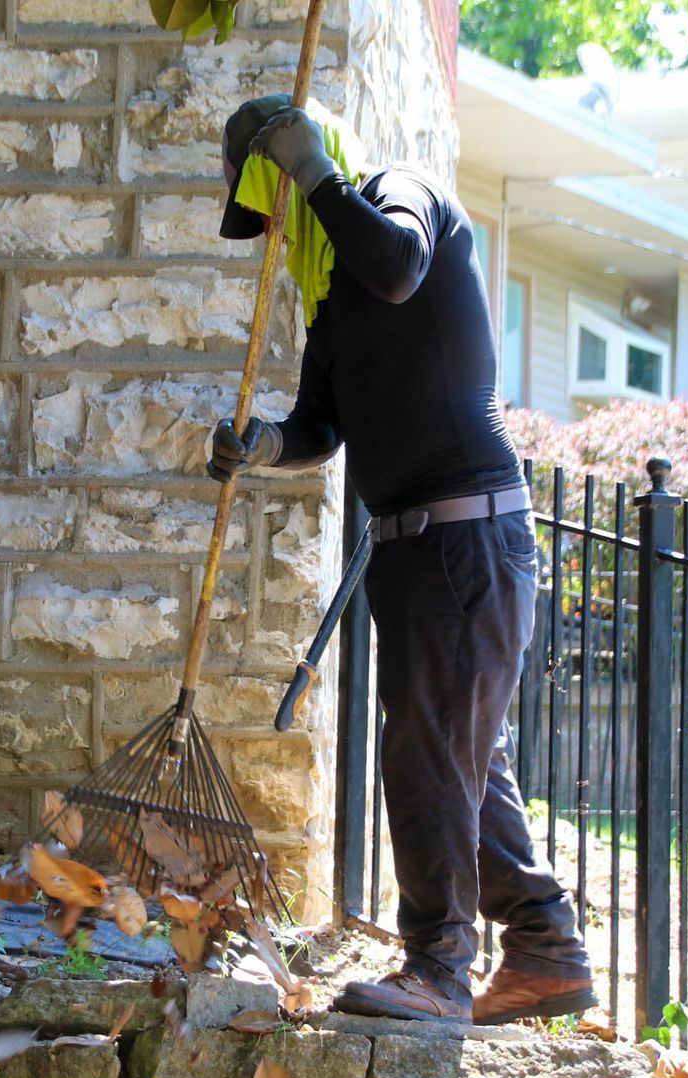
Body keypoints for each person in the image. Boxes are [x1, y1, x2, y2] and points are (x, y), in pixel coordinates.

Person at [209, 94, 596, 1025]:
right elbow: (322, 425)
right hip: (417, 547)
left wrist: (314, 172)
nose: (273, 232)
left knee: (426, 755)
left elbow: (398, 266)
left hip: (466, 533)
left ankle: (437, 970)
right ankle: (544, 949)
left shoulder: (400, 198)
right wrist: (263, 443)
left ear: (292, 167)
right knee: (461, 758)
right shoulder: (332, 298)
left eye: (269, 204)